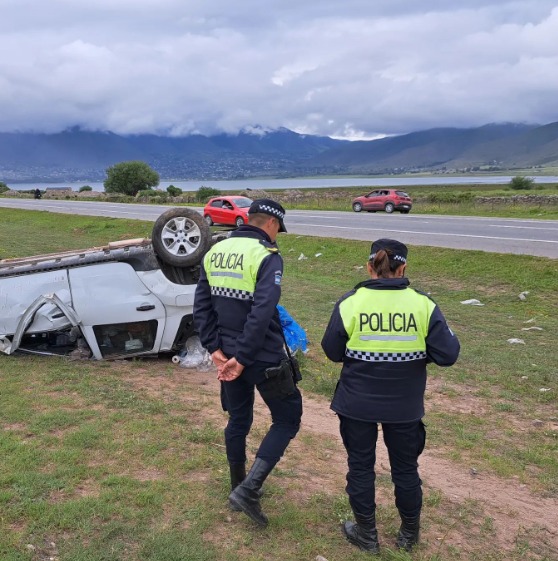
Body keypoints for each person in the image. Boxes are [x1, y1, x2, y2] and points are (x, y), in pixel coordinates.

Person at [321, 239, 460, 554]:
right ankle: (409, 535)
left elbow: (331, 351)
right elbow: (448, 354)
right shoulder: (423, 305)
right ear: (404, 268)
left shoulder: (350, 303)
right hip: (405, 405)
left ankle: (366, 535)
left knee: (360, 466)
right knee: (406, 469)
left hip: (356, 403)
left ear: (369, 267)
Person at [194, 198, 303, 528]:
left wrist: (214, 349)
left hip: (226, 354)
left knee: (239, 419)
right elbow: (261, 312)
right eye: (278, 231)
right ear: (271, 224)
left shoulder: (214, 252)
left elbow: (201, 305)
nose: (277, 237)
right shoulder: (268, 257)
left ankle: (237, 484)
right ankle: (249, 489)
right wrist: (243, 357)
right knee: (287, 418)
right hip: (260, 356)